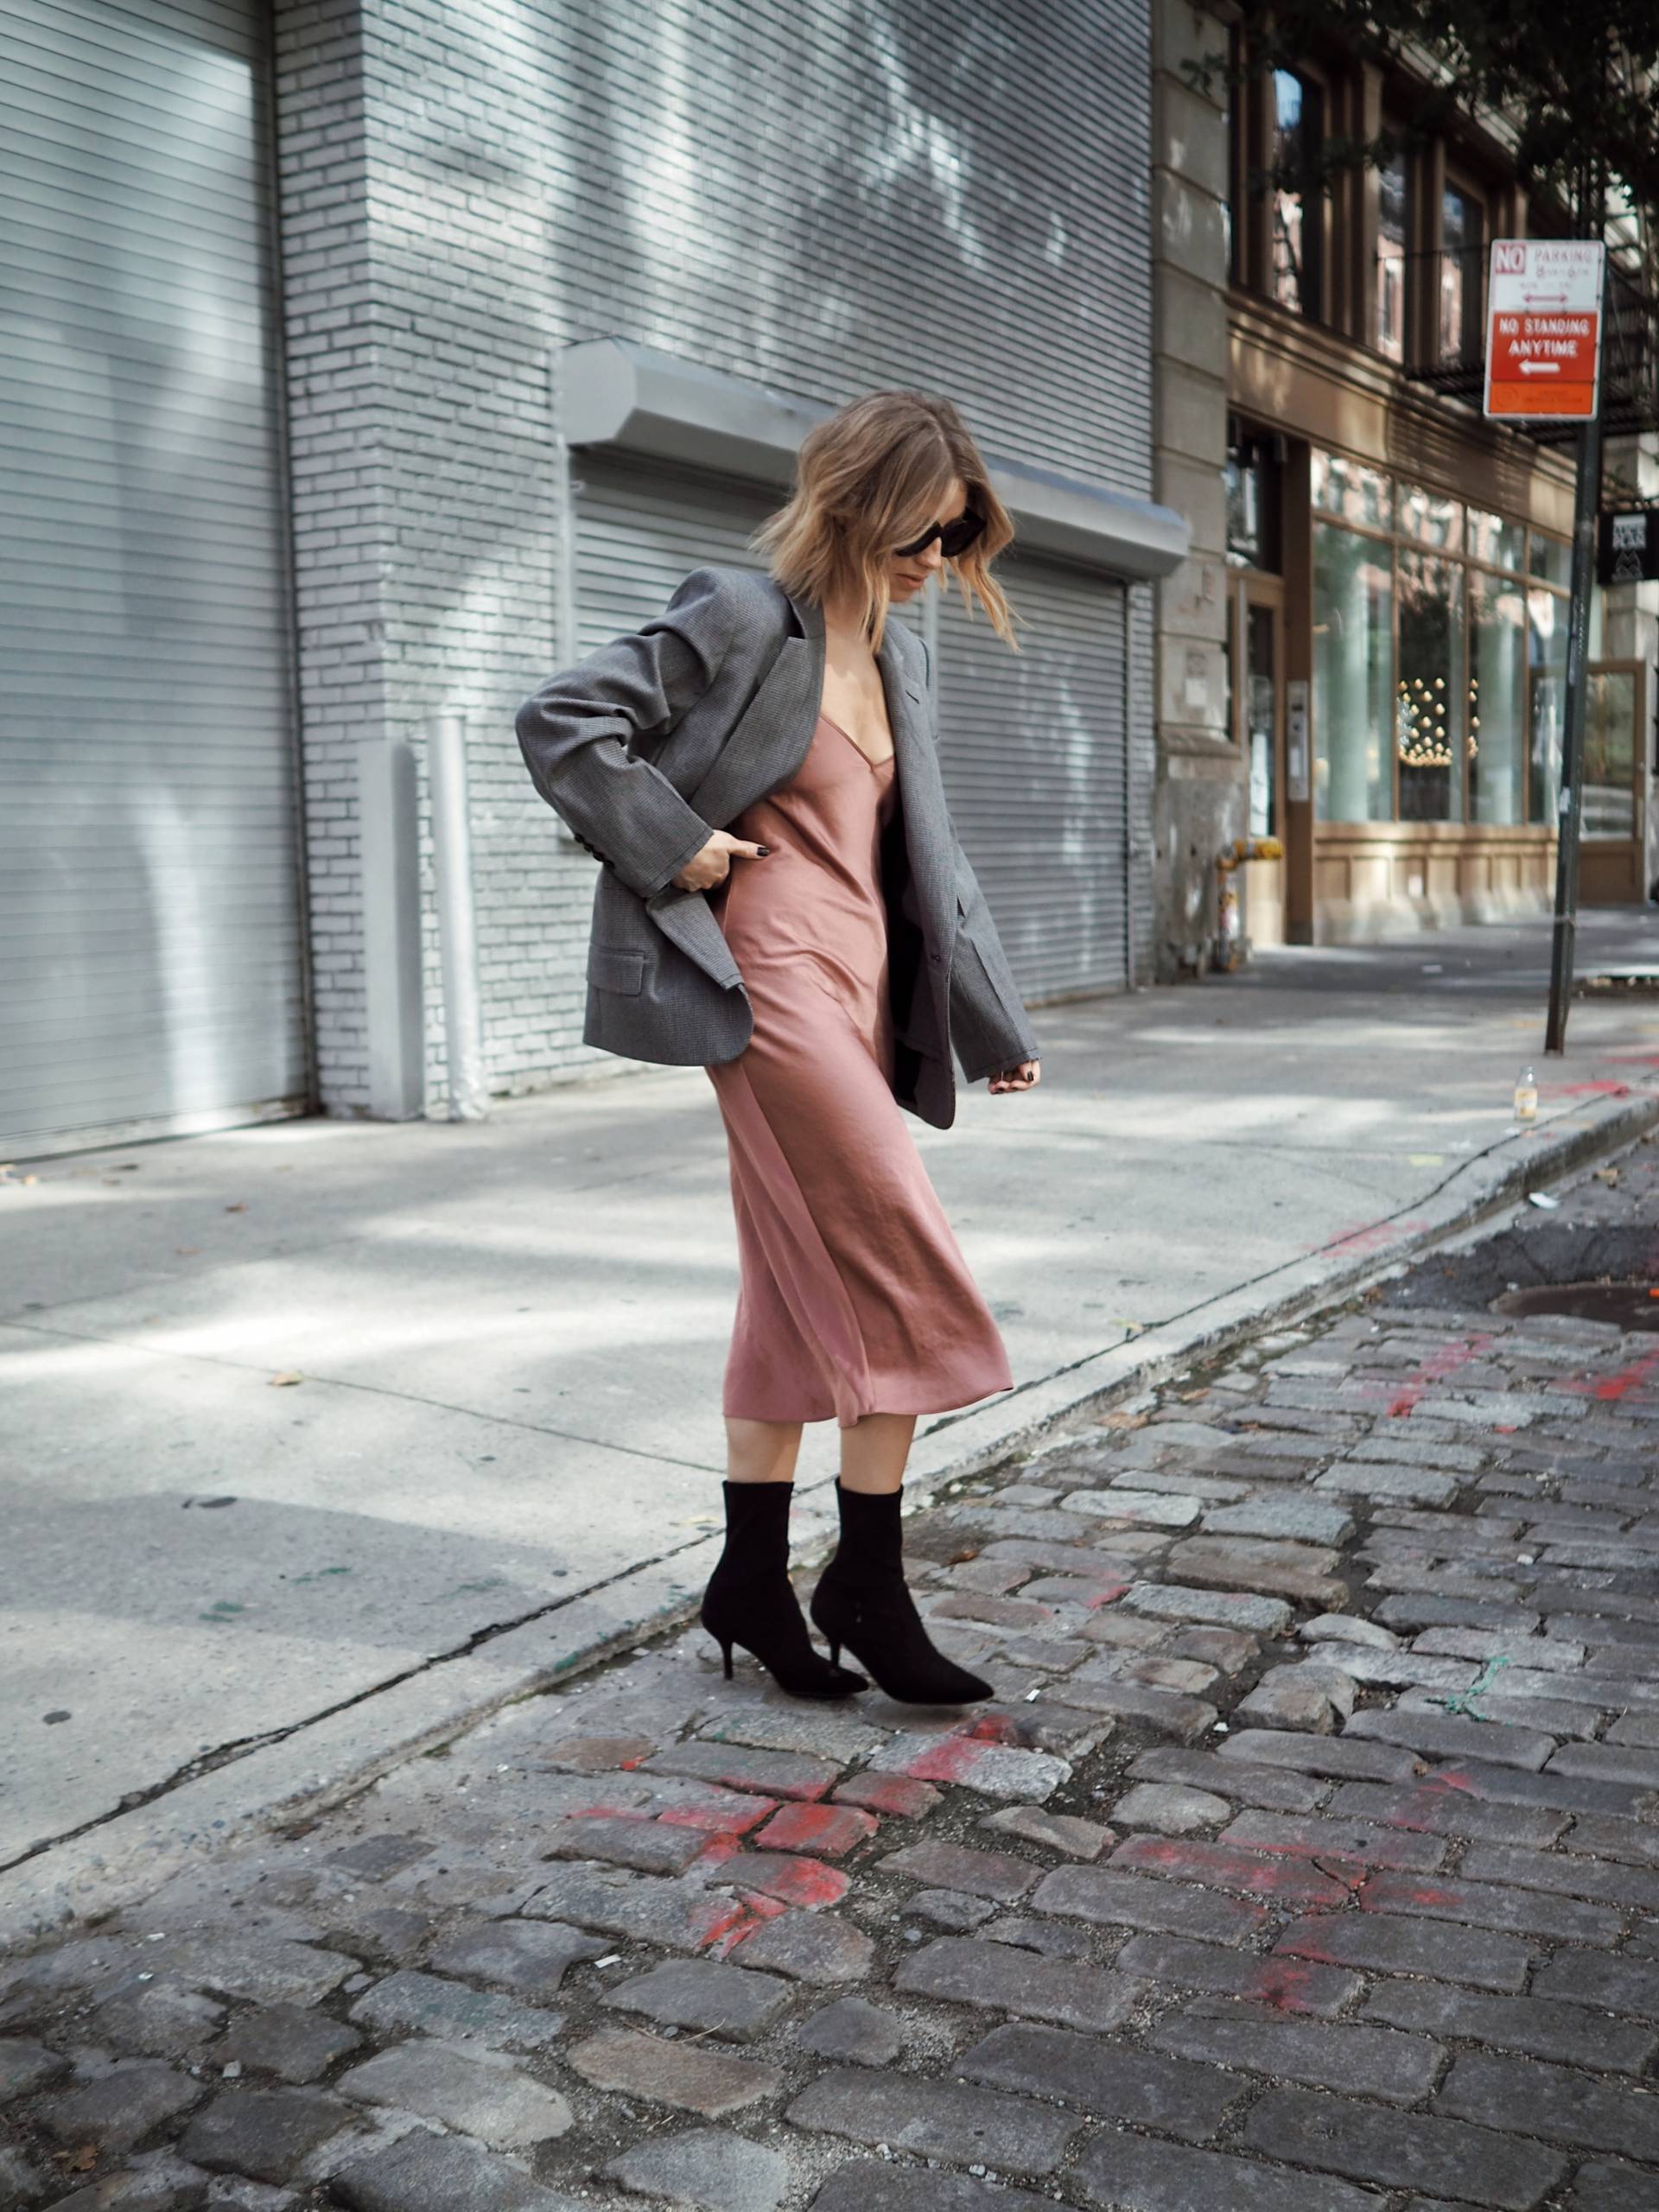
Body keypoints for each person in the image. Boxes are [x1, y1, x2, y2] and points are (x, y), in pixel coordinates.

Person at [517, 391, 1039, 1707]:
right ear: (863, 507)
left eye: (962, 538)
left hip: (859, 989)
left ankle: (750, 1577)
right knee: (907, 1269)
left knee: (791, 1288)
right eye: (930, 531)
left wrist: (990, 1021)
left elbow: (930, 856)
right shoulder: (747, 618)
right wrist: (670, 842)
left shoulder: (901, 659)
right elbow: (566, 719)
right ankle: (868, 1580)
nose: (942, 560)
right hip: (769, 986)